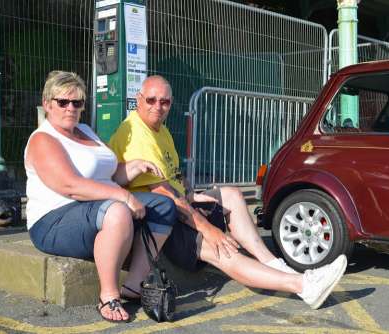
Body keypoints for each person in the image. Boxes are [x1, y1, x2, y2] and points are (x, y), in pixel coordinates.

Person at [109, 75, 347, 309]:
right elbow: (164, 194)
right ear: (138, 99)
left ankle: (274, 264)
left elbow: (173, 177)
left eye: (165, 102)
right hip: (160, 218)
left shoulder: (161, 130)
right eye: (151, 100)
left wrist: (192, 195)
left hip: (175, 205)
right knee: (220, 248)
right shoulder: (137, 132)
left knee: (231, 194)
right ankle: (303, 286)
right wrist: (210, 230)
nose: (158, 107)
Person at [24, 71, 176, 323]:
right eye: (63, 102)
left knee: (163, 205)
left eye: (77, 102)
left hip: (95, 207)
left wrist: (134, 166)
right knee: (117, 210)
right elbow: (70, 185)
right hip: (55, 220)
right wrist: (124, 197)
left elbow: (109, 174)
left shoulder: (84, 130)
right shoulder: (43, 139)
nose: (70, 108)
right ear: (47, 103)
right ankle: (108, 295)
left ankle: (135, 284)